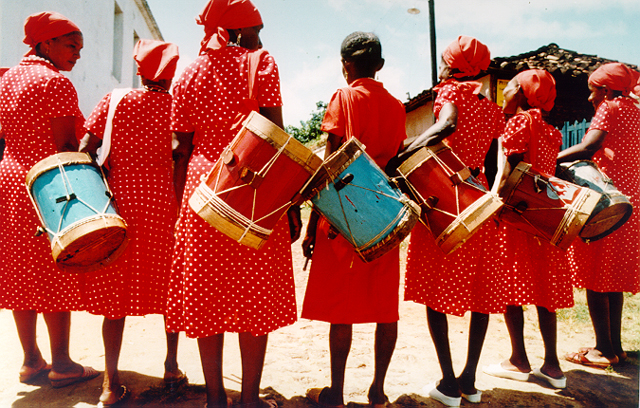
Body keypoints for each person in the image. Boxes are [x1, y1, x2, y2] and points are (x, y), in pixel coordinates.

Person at [168, 1, 300, 407]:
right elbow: (276, 135)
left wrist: (181, 207)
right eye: (257, 28)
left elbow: (179, 146)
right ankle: (247, 398)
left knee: (207, 294)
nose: (262, 37)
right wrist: (289, 202)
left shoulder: (188, 71)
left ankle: (214, 398)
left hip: (203, 188)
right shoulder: (260, 62)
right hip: (253, 184)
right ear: (239, 31)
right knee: (254, 293)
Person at [398, 36, 505, 407]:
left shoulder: (449, 93)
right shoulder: (491, 109)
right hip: (481, 198)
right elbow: (493, 165)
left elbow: (446, 124)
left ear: (451, 65)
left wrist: (408, 149)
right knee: (480, 294)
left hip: (445, 199)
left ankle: (448, 383)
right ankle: (470, 381)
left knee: (434, 290)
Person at [301, 31, 405, 408]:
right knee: (384, 307)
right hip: (383, 213)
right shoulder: (396, 106)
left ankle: (337, 392)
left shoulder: (342, 98)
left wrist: (312, 227)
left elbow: (330, 168)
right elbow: (392, 161)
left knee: (341, 309)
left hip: (344, 212)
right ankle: (377, 390)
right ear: (378, 65)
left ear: (345, 65)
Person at [78, 39, 184, 406]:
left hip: (118, 202)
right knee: (171, 289)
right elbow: (182, 154)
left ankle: (110, 384)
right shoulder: (175, 106)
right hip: (163, 204)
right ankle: (172, 366)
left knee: (115, 294)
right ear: (171, 74)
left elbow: (84, 149)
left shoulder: (115, 100)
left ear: (140, 69)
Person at [0, 11, 99, 387]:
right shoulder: (55, 83)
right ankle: (62, 364)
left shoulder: (9, 77)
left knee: (18, 270)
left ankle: (30, 361)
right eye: (71, 45)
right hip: (45, 185)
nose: (77, 53)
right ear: (45, 44)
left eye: (80, 48)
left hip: (9, 179)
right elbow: (66, 146)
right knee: (54, 268)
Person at [483, 69, 569, 390]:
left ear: (520, 92)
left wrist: (494, 204)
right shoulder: (551, 131)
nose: (504, 92)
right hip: (545, 216)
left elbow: (509, 171)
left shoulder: (519, 122)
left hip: (518, 215)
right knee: (544, 289)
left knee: (510, 285)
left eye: (509, 87)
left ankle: (518, 359)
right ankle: (553, 365)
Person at [557, 63, 640, 368]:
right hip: (631, 201)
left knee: (595, 275)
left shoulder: (610, 107)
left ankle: (602, 351)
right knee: (612, 276)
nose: (591, 98)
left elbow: (590, 145)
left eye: (592, 91)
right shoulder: (635, 109)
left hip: (607, 201)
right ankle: (615, 347)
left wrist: (552, 160)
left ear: (605, 90)